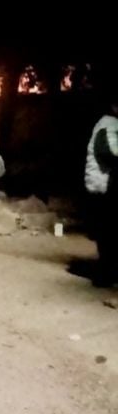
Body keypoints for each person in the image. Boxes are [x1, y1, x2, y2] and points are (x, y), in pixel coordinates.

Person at [84, 93, 118, 286]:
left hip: (104, 185)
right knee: (107, 234)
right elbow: (109, 153)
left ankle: (107, 272)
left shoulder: (110, 124)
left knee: (108, 234)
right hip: (101, 186)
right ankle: (105, 275)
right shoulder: (108, 125)